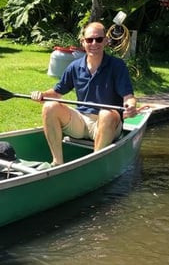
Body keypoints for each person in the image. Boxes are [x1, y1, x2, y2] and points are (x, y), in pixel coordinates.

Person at [30, 21, 138, 165]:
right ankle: (57, 162)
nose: (94, 43)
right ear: (83, 42)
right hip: (81, 121)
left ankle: (94, 164)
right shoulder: (74, 67)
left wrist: (130, 105)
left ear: (105, 41)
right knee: (49, 106)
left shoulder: (117, 66)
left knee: (105, 113)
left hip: (107, 123)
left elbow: (129, 97)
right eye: (89, 40)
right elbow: (56, 93)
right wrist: (41, 95)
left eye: (99, 39)